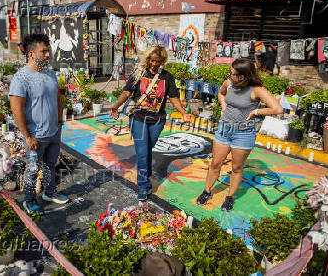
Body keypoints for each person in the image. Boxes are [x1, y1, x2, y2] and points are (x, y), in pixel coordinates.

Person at [196, 58, 283, 211]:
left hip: (243, 133)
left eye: (233, 74)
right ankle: (206, 191)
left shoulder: (257, 90)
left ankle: (229, 197)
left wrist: (256, 111)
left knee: (236, 167)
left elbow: (277, 109)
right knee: (216, 163)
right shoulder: (228, 83)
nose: (230, 76)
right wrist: (223, 105)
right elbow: (221, 94)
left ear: (242, 76)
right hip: (224, 129)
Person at [110, 45, 191, 201]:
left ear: (162, 61)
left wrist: (183, 112)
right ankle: (143, 186)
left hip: (157, 120)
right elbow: (127, 92)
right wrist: (116, 106)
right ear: (147, 59)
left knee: (147, 150)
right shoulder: (139, 73)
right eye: (152, 60)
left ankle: (144, 174)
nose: (154, 64)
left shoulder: (167, 77)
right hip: (138, 118)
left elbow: (173, 98)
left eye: (158, 61)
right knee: (142, 152)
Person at [9, 33, 69, 213]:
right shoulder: (21, 78)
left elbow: (58, 99)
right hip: (35, 137)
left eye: (47, 50)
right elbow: (16, 109)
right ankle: (29, 199)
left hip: (53, 132)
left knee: (51, 166)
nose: (48, 54)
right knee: (33, 170)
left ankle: (49, 193)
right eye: (43, 51)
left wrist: (59, 122)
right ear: (31, 54)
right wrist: (27, 136)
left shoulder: (50, 74)